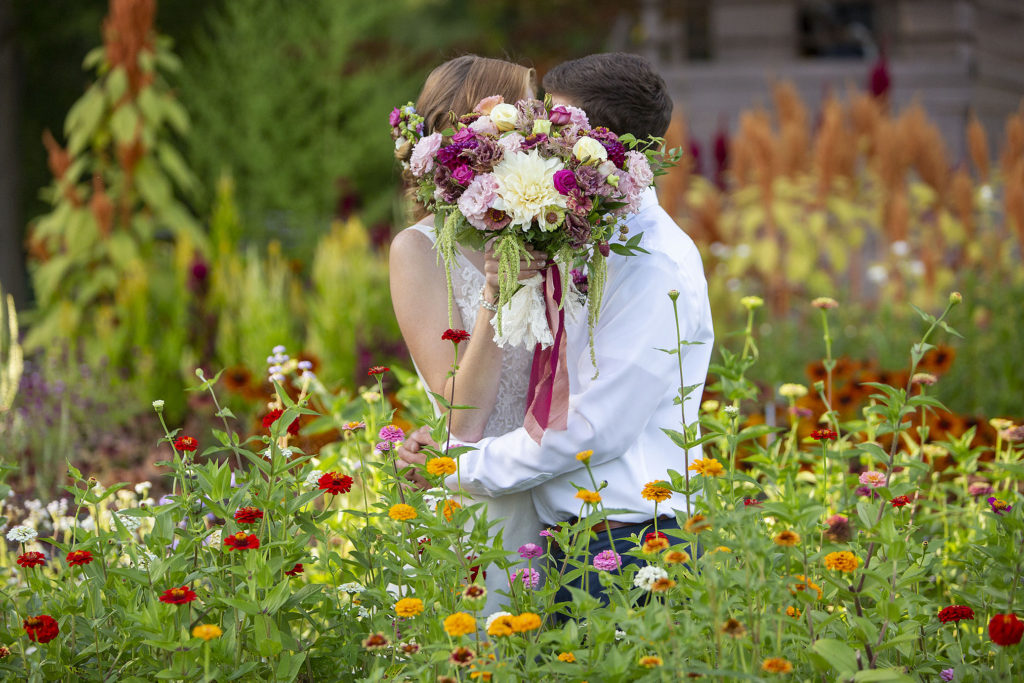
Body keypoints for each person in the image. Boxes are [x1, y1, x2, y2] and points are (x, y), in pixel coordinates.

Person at [397, 52, 714, 611]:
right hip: (563, 530)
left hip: (627, 536)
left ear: (602, 150)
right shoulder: (578, 241)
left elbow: (591, 429)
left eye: (554, 131)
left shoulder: (651, 266)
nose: (540, 145)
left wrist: (455, 466)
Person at [389, 55, 548, 614]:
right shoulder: (417, 251)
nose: (540, 126)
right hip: (485, 502)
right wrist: (494, 294)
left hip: (569, 495)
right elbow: (461, 415)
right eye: (524, 113)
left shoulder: (552, 229)